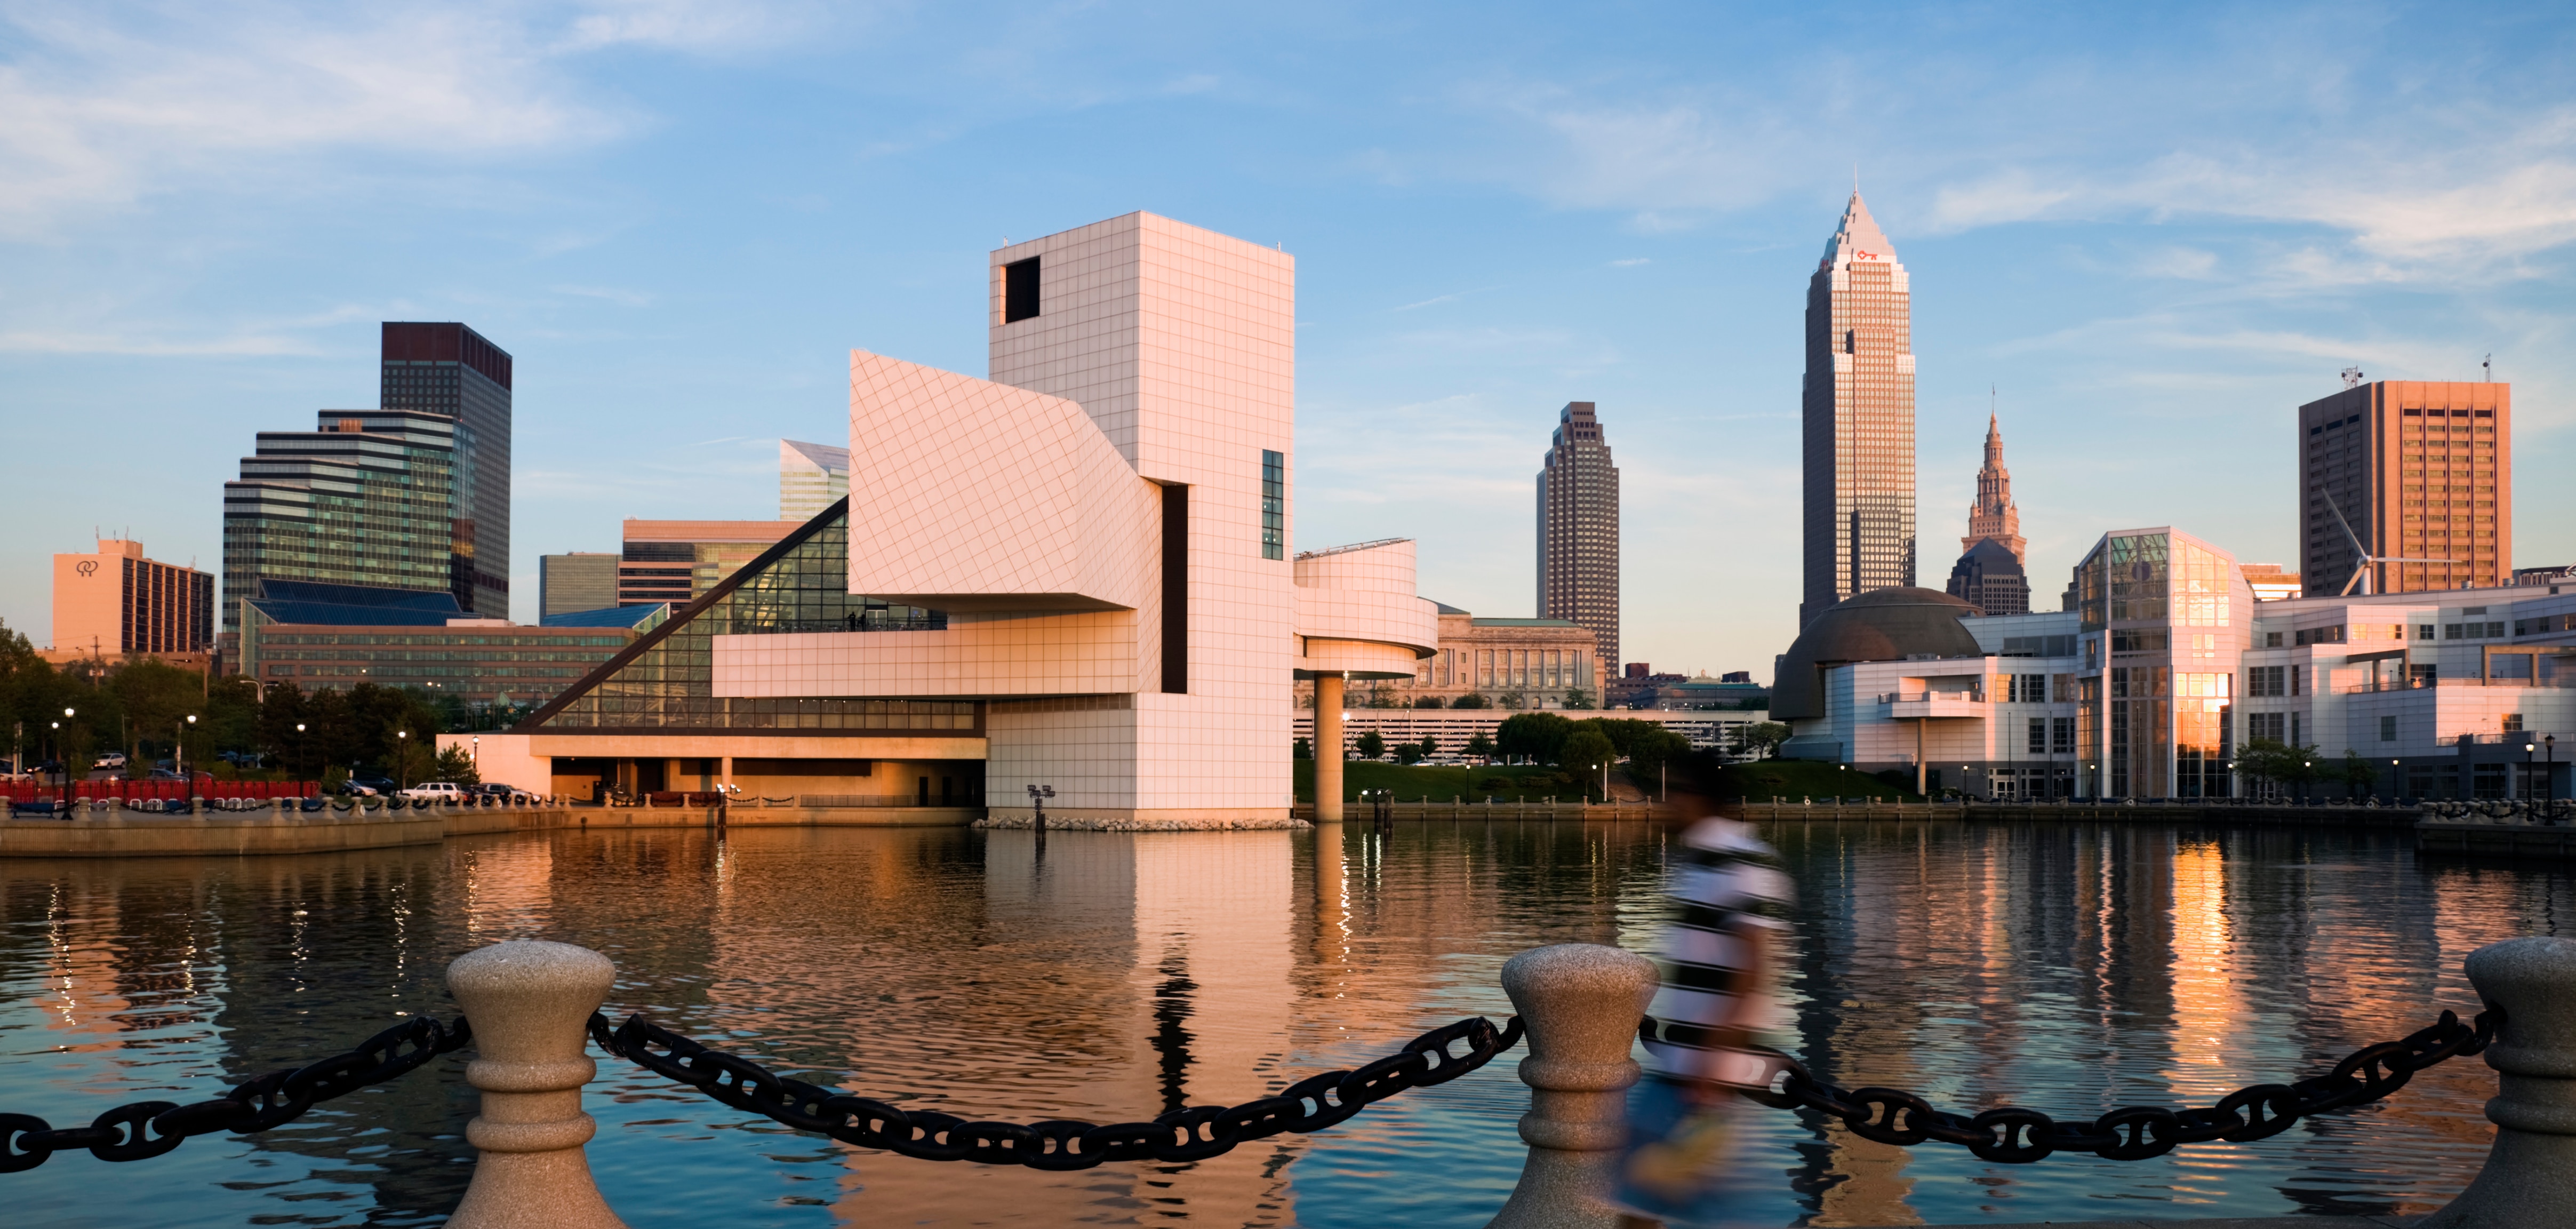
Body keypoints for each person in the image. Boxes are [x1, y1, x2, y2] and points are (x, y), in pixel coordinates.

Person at [1613, 753, 1794, 1228]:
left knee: (1649, 1203)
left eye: (1670, 796)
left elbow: (1756, 964)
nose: (1662, 806)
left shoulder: (1735, 860)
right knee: (1642, 1202)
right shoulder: (1703, 858)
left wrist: (1714, 1062)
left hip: (1710, 1078)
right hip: (1689, 1070)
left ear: (1695, 799)